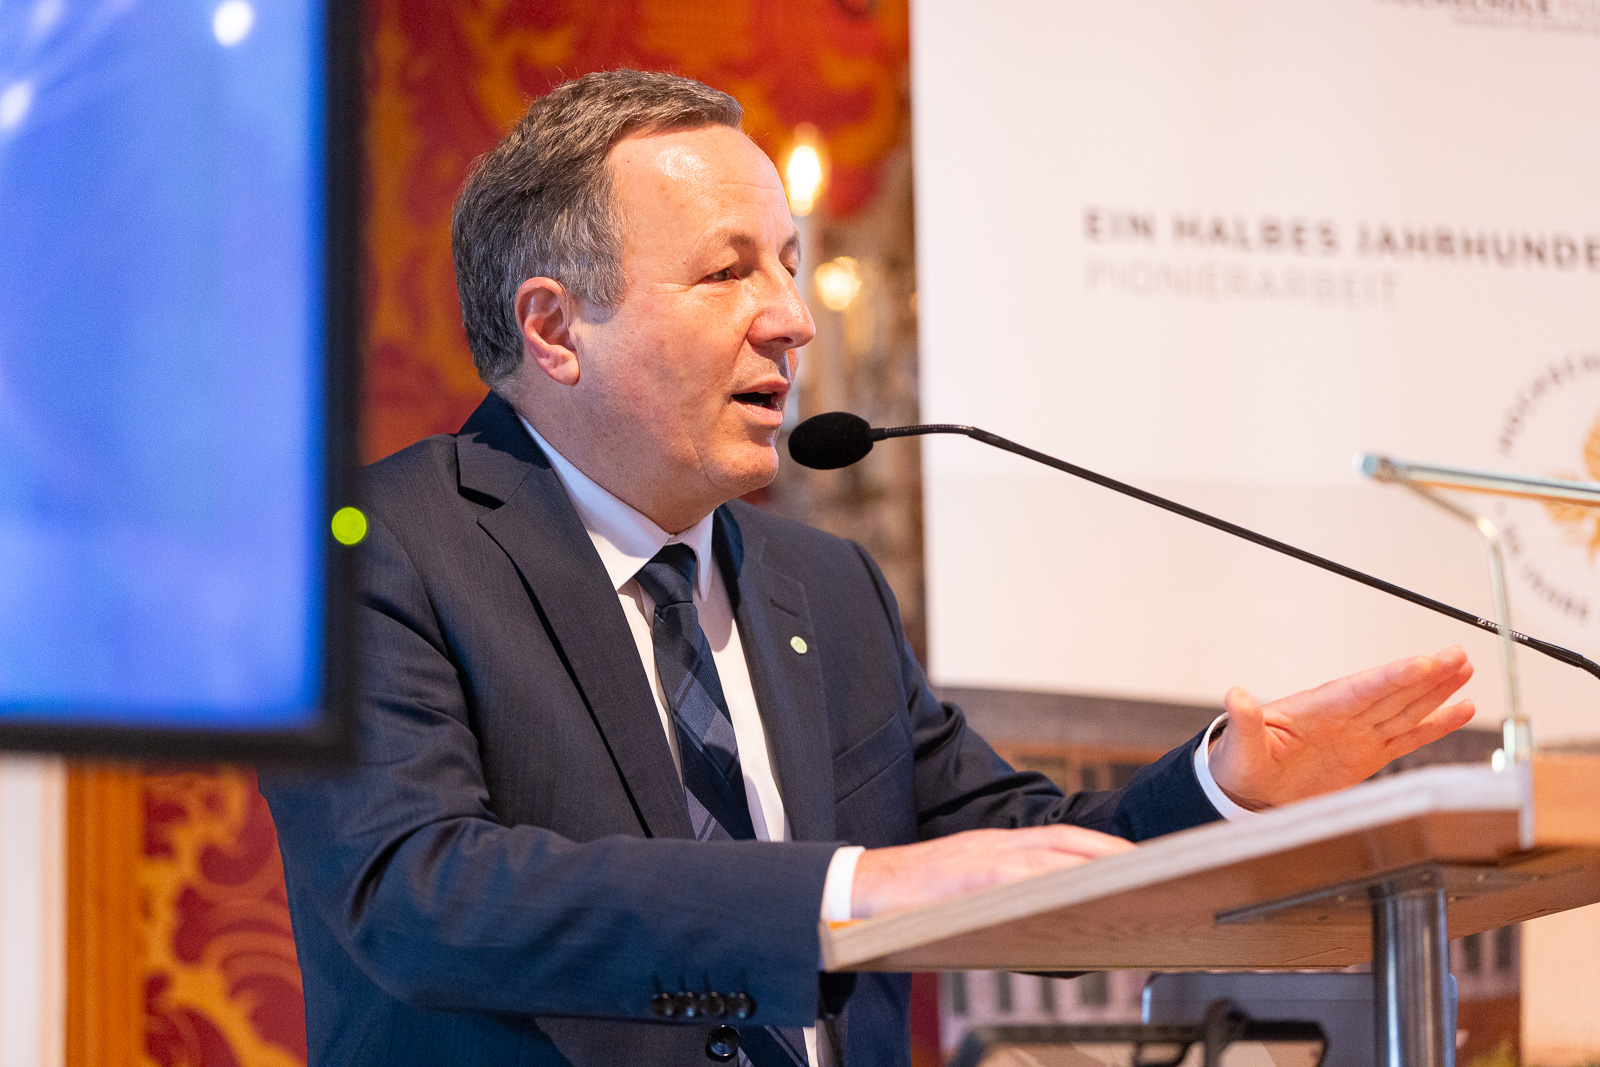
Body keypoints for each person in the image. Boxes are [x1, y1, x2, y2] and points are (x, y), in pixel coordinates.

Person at [260, 69, 1475, 1067]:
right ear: (554, 327)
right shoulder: (379, 549)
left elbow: (1020, 856)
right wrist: (850, 889)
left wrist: (1228, 783)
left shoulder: (825, 587)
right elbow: (417, 892)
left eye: (788, 263)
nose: (790, 316)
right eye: (729, 270)